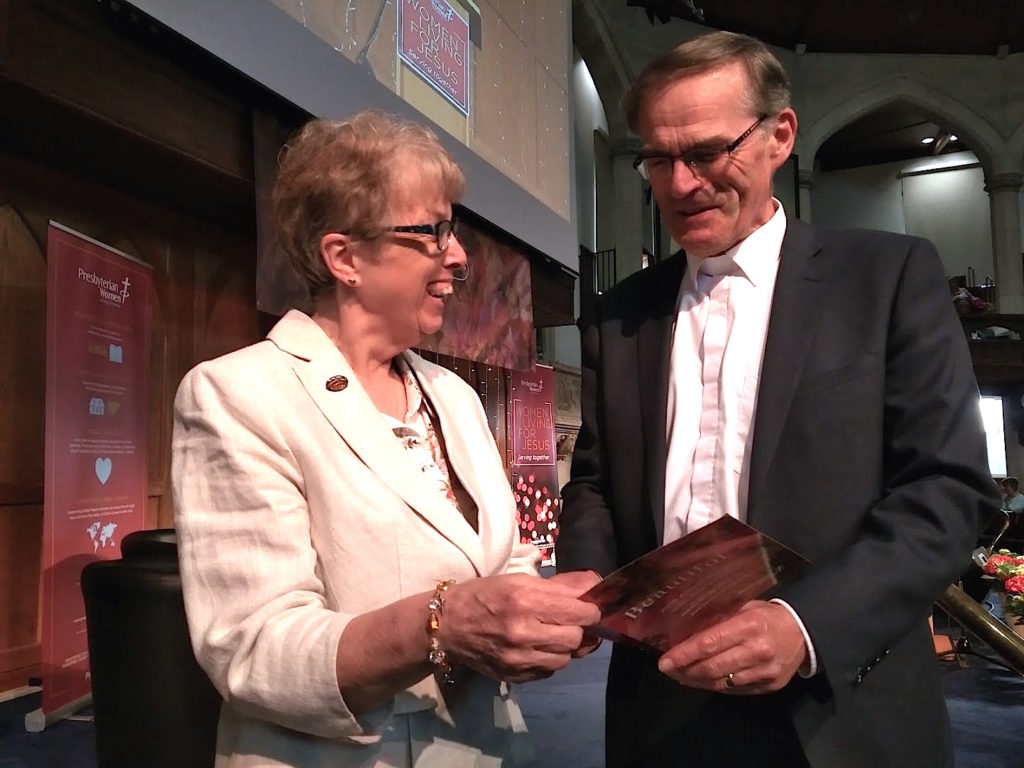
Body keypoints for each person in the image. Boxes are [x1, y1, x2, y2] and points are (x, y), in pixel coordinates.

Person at [556, 31, 999, 768]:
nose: (681, 185)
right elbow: (596, 483)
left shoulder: (884, 278)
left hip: (839, 705)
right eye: (659, 160)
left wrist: (804, 624)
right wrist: (586, 577)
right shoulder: (619, 313)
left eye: (707, 153)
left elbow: (948, 487)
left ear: (779, 136)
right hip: (661, 707)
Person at [172, 111, 600, 768]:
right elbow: (253, 649)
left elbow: (502, 561)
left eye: (453, 230)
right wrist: (441, 624)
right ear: (344, 257)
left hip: (484, 747)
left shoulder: (452, 395)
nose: (458, 256)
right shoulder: (238, 393)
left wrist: (542, 615)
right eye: (432, 233)